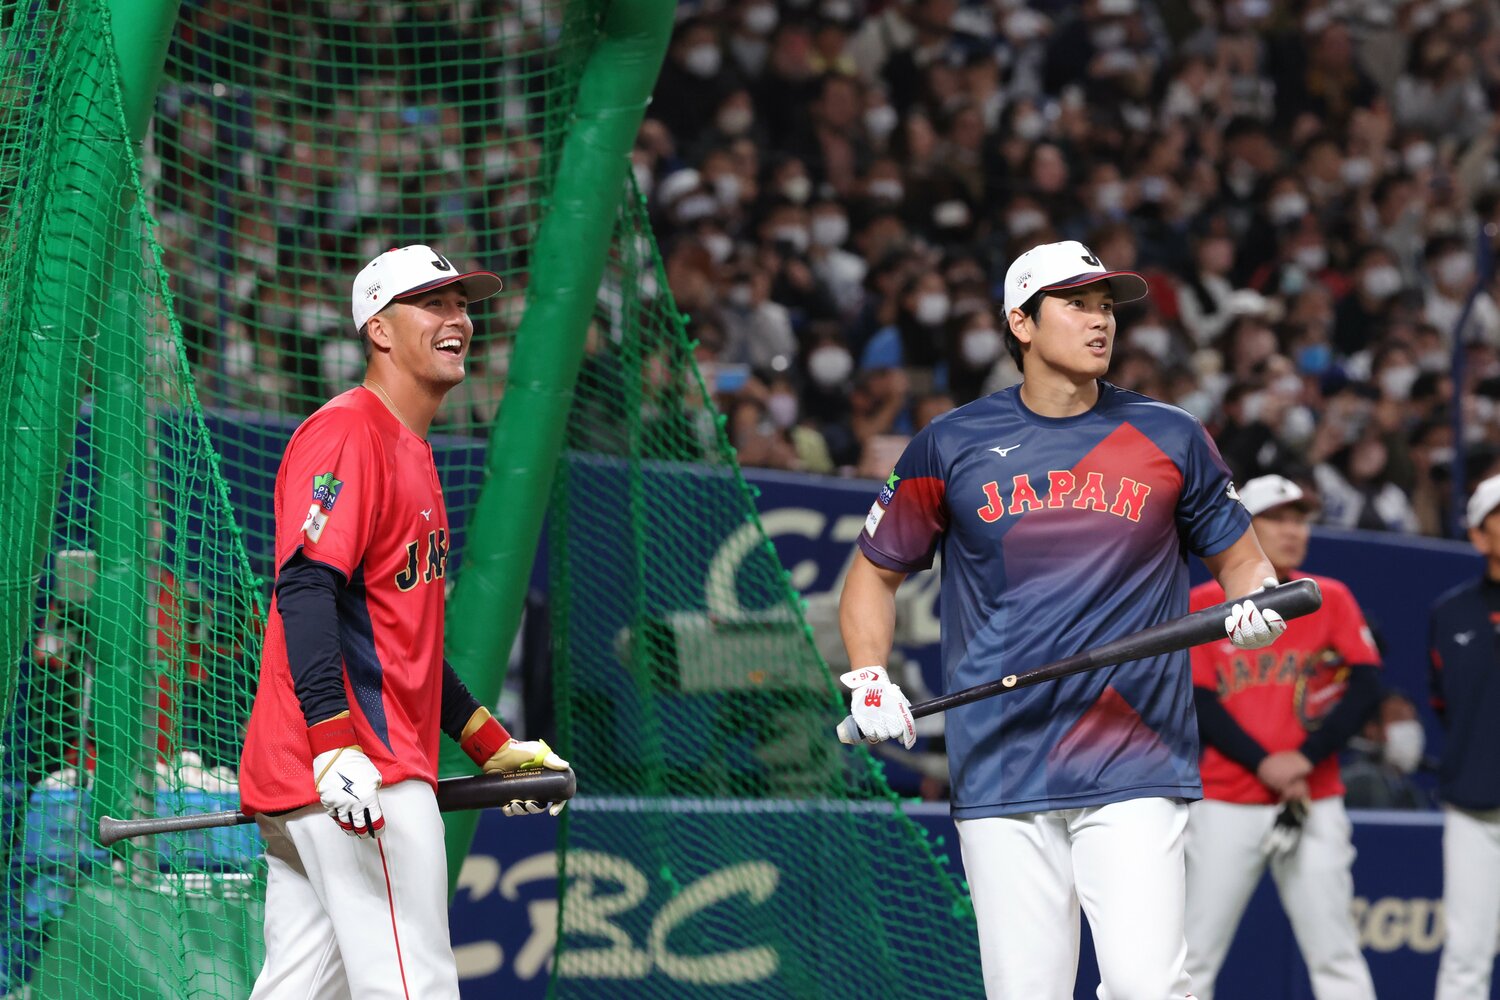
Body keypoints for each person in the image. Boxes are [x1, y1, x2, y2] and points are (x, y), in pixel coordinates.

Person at [838, 239, 1287, 999]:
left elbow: (1246, 565)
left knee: (1150, 988)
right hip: (1001, 760)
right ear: (1020, 320)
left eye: (1107, 306)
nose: (1100, 321)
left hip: (1136, 754)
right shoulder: (949, 444)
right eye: (1076, 303)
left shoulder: (1172, 434)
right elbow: (873, 576)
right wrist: (870, 677)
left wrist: (1255, 605)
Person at [237, 245, 571, 999]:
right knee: (414, 987)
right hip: (358, 773)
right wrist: (333, 744)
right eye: (434, 304)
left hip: (338, 774)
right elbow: (304, 589)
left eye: (463, 305)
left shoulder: (409, 448)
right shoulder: (349, 432)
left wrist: (486, 741)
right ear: (379, 330)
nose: (459, 320)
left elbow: (397, 645)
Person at [1182, 474, 1381, 1000]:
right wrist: (1267, 762)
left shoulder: (1328, 597)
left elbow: (1364, 688)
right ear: (1244, 523)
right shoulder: (1205, 599)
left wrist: (1304, 759)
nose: (1293, 530)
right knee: (1194, 955)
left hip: (1313, 796)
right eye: (1277, 517)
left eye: (1300, 519)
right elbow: (1199, 701)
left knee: (1336, 951)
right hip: (1227, 797)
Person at [1430, 473, 1500, 1000]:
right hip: (1472, 809)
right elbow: (1443, 702)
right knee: (1466, 956)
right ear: (1479, 535)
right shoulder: (1450, 612)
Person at [1342, 690, 1428, 810]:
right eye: (1399, 719)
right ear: (1371, 729)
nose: (1410, 730)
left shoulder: (1406, 789)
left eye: (1412, 720)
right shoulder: (1362, 783)